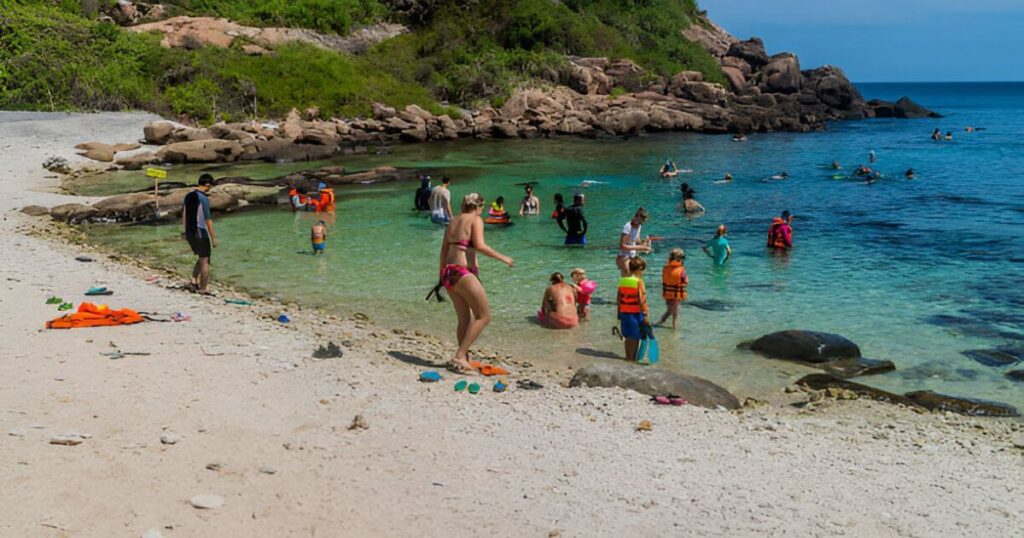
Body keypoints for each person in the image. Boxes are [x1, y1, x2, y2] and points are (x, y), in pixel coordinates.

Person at [438, 193, 514, 371]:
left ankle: (463, 358)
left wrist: (441, 276)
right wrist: (504, 258)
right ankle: (459, 355)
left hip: (448, 272)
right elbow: (480, 245)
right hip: (462, 273)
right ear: (479, 206)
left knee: (464, 319)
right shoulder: (475, 220)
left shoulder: (453, 221)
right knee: (483, 316)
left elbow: (444, 250)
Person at [182, 174, 217, 294]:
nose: (210, 188)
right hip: (200, 232)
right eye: (210, 186)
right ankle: (203, 288)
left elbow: (184, 215)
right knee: (205, 261)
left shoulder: (188, 196)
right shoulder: (203, 198)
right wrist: (213, 238)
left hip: (189, 232)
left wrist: (185, 231)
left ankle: (193, 281)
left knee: (201, 257)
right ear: (207, 185)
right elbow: (208, 219)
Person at [617, 256, 650, 361]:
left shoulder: (623, 281)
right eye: (643, 270)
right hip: (635, 313)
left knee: (627, 336)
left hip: (624, 312)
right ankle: (633, 359)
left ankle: (628, 357)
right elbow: (641, 300)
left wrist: (619, 313)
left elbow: (618, 298)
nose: (643, 273)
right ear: (639, 269)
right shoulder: (638, 282)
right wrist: (645, 315)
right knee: (635, 337)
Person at [657, 248, 688, 329]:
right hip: (676, 293)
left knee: (670, 310)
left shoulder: (666, 268)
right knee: (675, 312)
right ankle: (675, 327)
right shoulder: (681, 270)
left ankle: (660, 322)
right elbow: (685, 281)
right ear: (680, 259)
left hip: (667, 293)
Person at [616, 208, 652, 276]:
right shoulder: (628, 226)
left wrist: (644, 243)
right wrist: (641, 248)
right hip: (624, 257)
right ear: (638, 216)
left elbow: (637, 242)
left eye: (643, 221)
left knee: (639, 273)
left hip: (632, 256)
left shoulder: (639, 226)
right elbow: (622, 246)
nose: (641, 223)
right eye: (642, 220)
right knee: (628, 279)